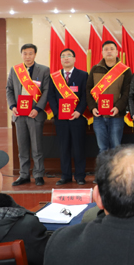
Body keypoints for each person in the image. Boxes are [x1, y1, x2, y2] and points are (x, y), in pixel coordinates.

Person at [5, 43, 50, 186]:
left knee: (37, 147)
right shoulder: (15, 70)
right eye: (25, 53)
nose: (28, 56)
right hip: (19, 115)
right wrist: (12, 106)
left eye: (30, 53)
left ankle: (38, 174)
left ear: (35, 54)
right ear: (21, 55)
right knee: (22, 147)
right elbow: (9, 89)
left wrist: (38, 109)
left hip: (35, 114)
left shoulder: (44, 70)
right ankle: (24, 175)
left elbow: (46, 91)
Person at [48, 48, 89, 185]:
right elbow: (51, 96)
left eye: (69, 56)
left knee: (79, 147)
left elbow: (85, 95)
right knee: (63, 148)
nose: (66, 58)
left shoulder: (83, 75)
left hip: (77, 118)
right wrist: (57, 113)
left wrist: (79, 111)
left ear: (74, 59)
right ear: (60, 60)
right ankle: (65, 175)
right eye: (63, 56)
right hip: (61, 119)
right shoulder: (54, 77)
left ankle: (80, 176)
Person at [86, 40, 133, 154]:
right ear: (102, 53)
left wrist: (118, 107)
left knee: (116, 147)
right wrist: (93, 107)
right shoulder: (95, 69)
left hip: (116, 115)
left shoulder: (125, 70)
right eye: (106, 49)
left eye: (112, 49)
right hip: (99, 115)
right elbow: (88, 89)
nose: (109, 51)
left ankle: (115, 167)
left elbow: (127, 92)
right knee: (102, 148)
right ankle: (104, 167)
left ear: (117, 52)